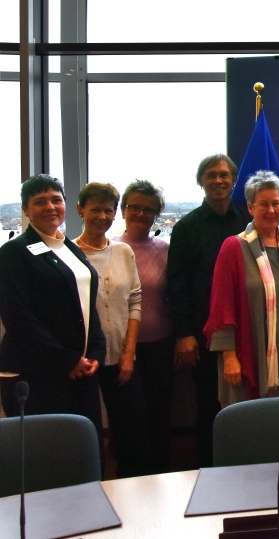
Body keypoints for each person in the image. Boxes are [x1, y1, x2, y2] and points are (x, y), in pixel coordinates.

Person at [0, 175, 106, 439]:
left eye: (56, 199)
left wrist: (96, 352)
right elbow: (19, 319)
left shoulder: (71, 249)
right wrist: (67, 360)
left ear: (65, 204)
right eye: (39, 201)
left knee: (83, 453)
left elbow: (87, 306)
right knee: (46, 457)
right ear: (26, 210)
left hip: (81, 373)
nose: (50, 206)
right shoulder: (13, 253)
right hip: (39, 375)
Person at [167, 153, 252, 466]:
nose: (218, 181)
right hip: (203, 335)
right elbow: (177, 285)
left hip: (244, 331)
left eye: (224, 175)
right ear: (201, 182)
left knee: (243, 403)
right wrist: (184, 334)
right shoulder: (187, 228)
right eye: (211, 175)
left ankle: (243, 465)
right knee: (208, 405)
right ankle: (210, 470)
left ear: (233, 180)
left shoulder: (247, 221)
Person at [204, 171, 279, 406]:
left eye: (276, 203)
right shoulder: (233, 248)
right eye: (263, 204)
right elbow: (222, 306)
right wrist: (229, 356)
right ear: (250, 208)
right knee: (250, 427)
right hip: (246, 354)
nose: (271, 210)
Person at [74, 182, 151, 477]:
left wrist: (129, 353)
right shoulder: (69, 255)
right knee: (89, 433)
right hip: (85, 361)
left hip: (122, 356)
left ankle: (130, 494)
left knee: (134, 433)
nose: (102, 216)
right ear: (81, 210)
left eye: (109, 210)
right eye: (95, 209)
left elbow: (135, 301)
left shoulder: (123, 252)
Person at [113, 179, 174, 473]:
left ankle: (160, 480)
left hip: (161, 346)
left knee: (160, 417)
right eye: (134, 207)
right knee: (128, 421)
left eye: (148, 210)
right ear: (123, 210)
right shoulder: (110, 249)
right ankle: (129, 481)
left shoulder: (165, 250)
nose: (140, 214)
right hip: (122, 350)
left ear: (156, 215)